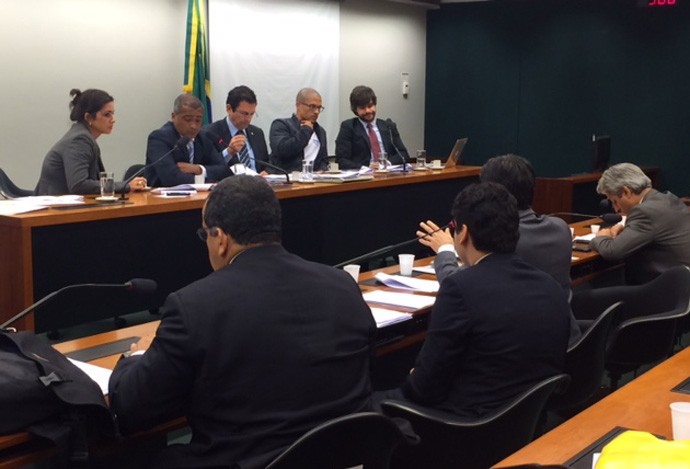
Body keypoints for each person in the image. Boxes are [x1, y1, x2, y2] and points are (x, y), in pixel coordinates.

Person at [108, 175, 375, 469]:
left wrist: (136, 356)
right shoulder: (342, 285)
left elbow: (132, 406)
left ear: (220, 239)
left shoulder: (194, 306)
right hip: (342, 458)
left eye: (205, 234)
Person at [378, 182, 570, 417]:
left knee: (367, 403)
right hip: (526, 419)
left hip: (465, 428)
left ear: (464, 233)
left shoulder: (460, 288)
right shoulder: (548, 284)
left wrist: (413, 376)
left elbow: (424, 390)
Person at [418, 154, 581, 345]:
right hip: (564, 340)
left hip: (517, 346)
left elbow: (459, 285)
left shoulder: (504, 240)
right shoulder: (561, 228)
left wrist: (445, 249)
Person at [590, 162, 690, 285]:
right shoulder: (668, 198)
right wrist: (628, 231)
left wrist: (601, 237)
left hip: (672, 290)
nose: (616, 209)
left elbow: (612, 251)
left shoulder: (644, 212)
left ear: (626, 192)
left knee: (583, 299)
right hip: (682, 281)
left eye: (615, 201)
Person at [35, 89, 147, 195]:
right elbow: (79, 185)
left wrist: (124, 186)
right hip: (54, 210)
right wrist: (125, 186)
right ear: (88, 117)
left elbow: (95, 182)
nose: (113, 119)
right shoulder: (79, 140)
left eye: (113, 113)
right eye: (107, 114)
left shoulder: (83, 136)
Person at [145, 94, 230, 187]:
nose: (193, 126)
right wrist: (206, 181)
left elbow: (224, 170)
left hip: (197, 197)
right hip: (160, 198)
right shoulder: (159, 138)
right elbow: (171, 178)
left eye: (198, 120)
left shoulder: (204, 138)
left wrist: (199, 169)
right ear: (173, 117)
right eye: (188, 119)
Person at [335, 85, 409, 169]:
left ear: (375, 104)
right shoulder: (348, 127)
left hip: (388, 174)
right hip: (364, 177)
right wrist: (367, 167)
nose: (368, 111)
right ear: (355, 109)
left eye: (370, 106)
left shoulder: (388, 126)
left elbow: (403, 154)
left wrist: (386, 163)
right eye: (362, 108)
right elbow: (341, 160)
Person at [203, 85, 269, 172]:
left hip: (258, 183)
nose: (248, 119)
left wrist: (266, 172)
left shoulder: (257, 133)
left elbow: (265, 162)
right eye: (244, 114)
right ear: (229, 109)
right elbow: (207, 168)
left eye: (252, 114)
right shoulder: (209, 133)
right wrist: (229, 152)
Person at [269, 88, 328, 173]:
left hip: (314, 180)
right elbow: (282, 150)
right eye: (312, 106)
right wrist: (306, 131)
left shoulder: (320, 131)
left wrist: (322, 169)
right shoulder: (281, 124)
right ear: (298, 105)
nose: (316, 111)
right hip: (288, 179)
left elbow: (324, 159)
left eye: (319, 108)